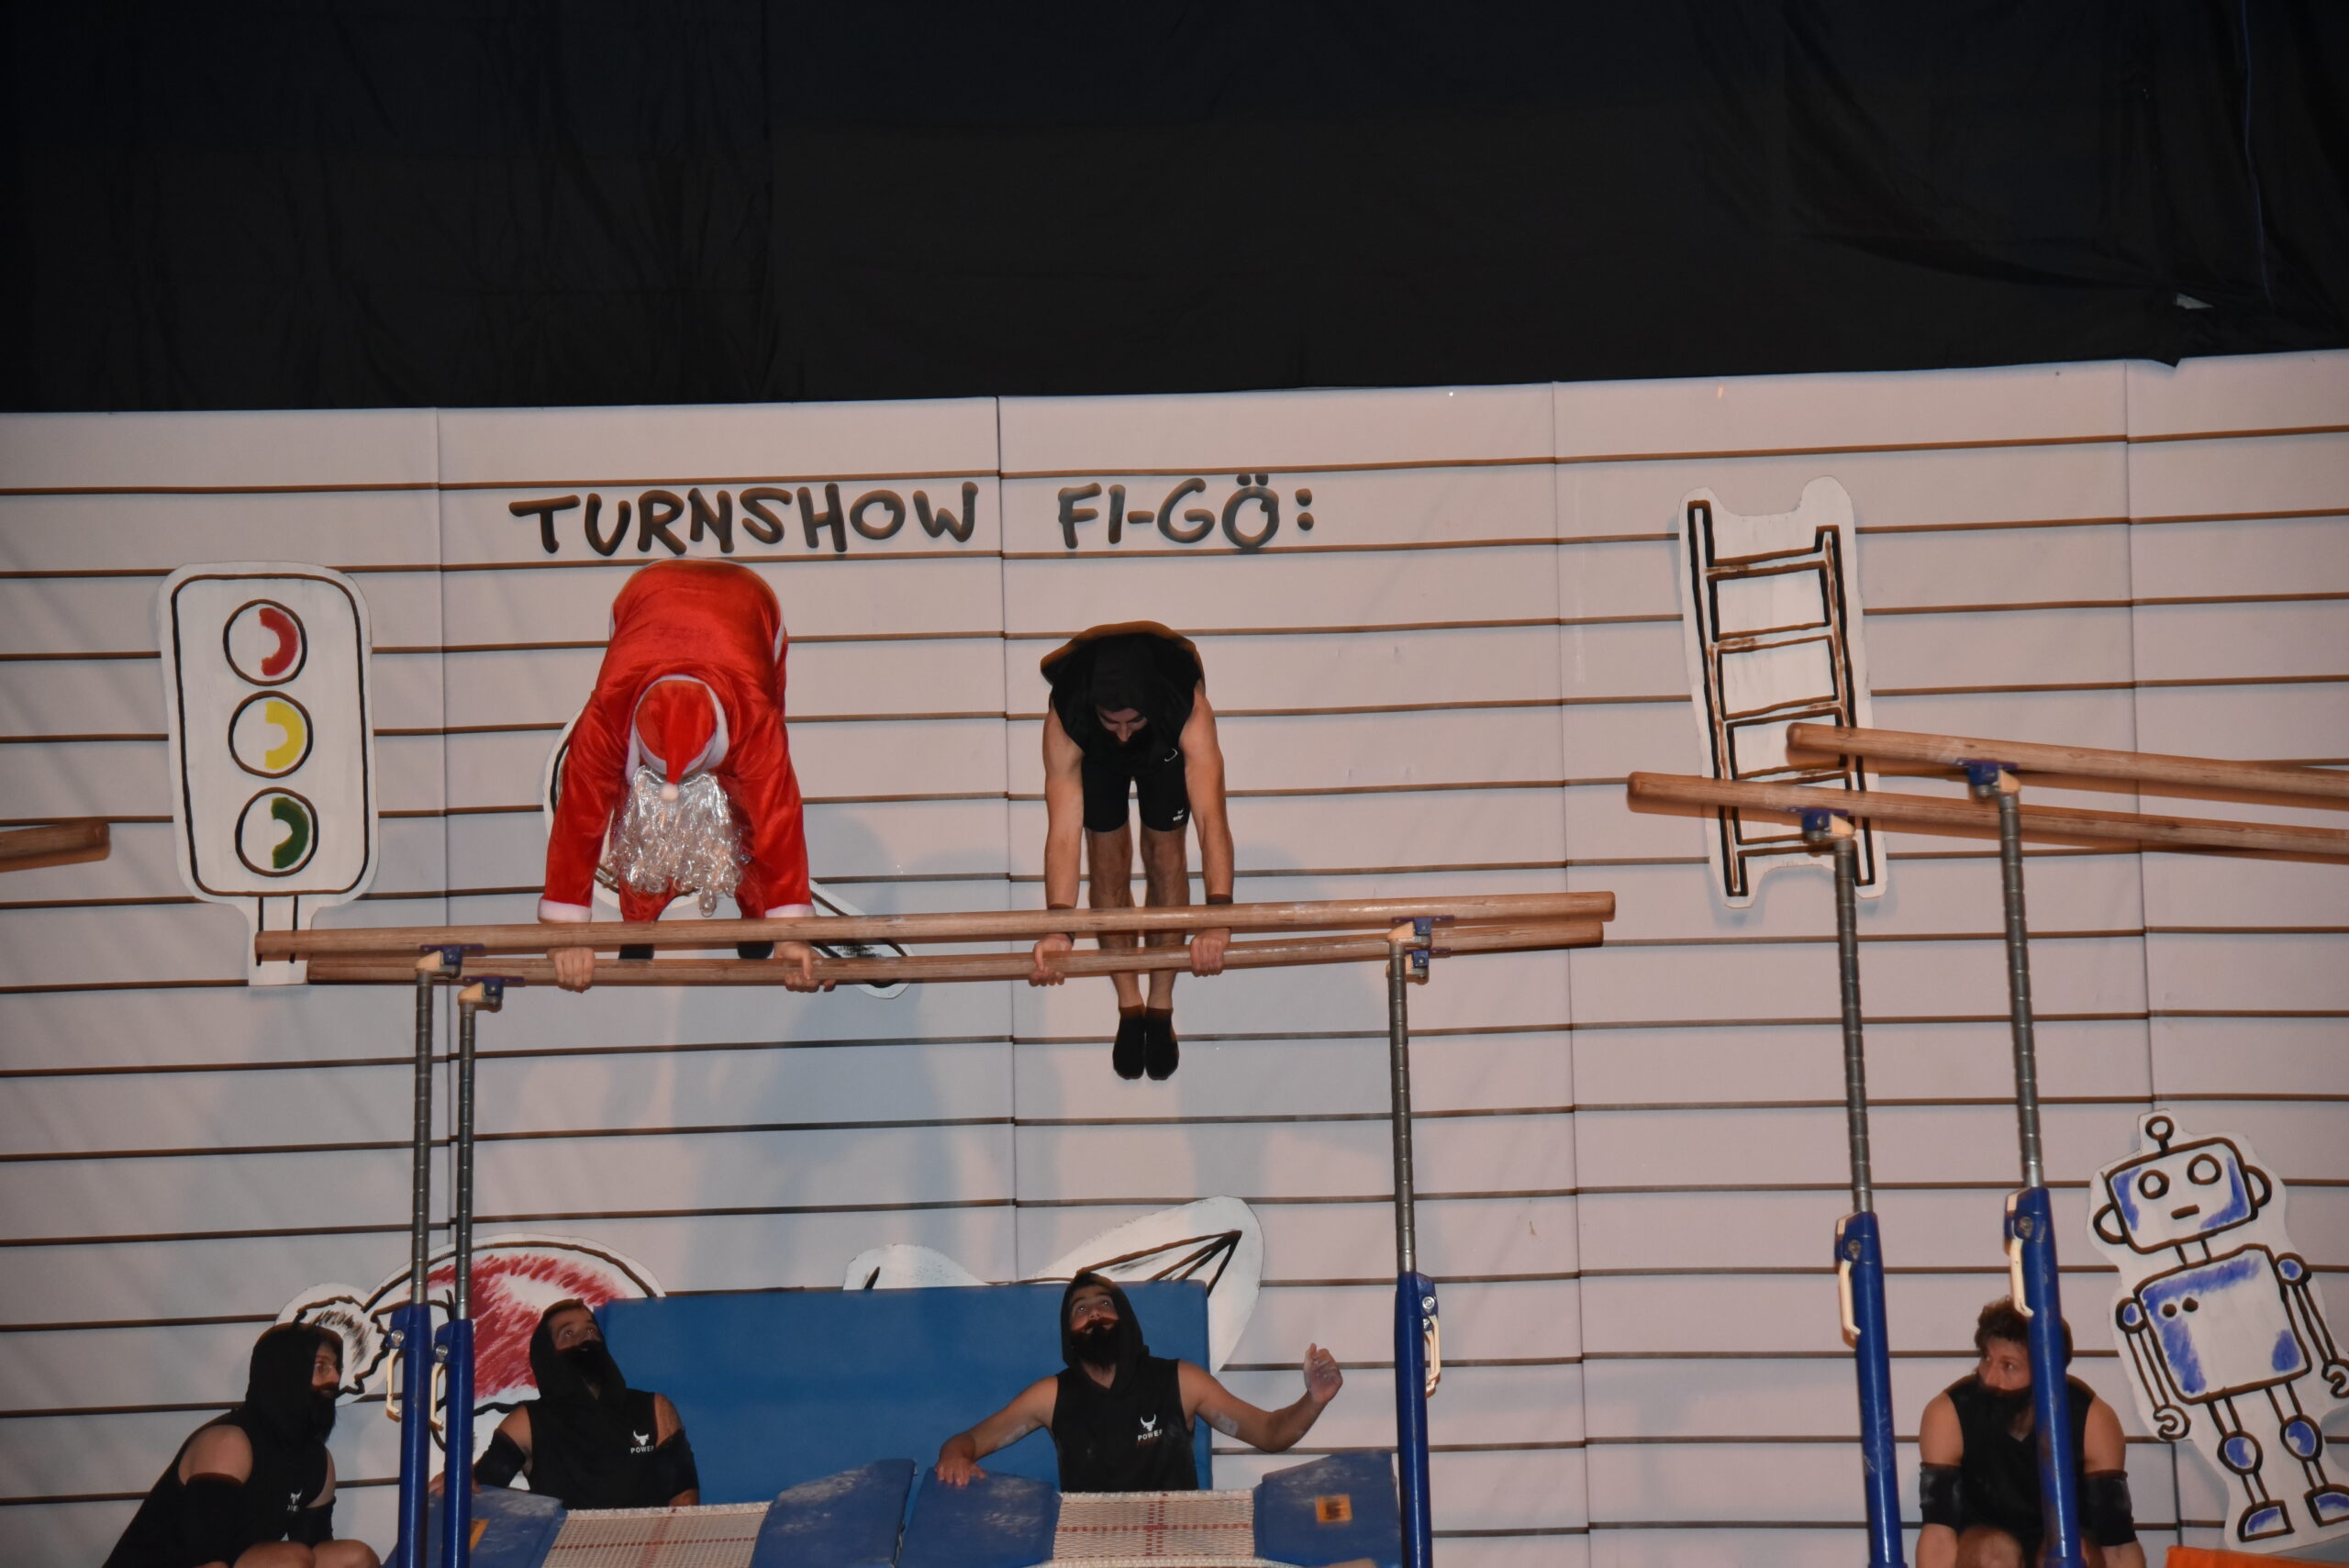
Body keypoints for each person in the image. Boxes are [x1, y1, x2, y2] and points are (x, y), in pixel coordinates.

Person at [540, 560, 824, 993]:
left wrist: (790, 932)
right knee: (639, 815)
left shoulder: (753, 720)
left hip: (750, 603)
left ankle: (756, 908)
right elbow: (579, 818)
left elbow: (777, 819)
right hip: (645, 596)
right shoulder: (606, 717)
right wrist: (566, 934)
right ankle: (639, 919)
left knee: (749, 802)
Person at [1030, 623, 1235, 1079]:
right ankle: (1129, 1005)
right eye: (1113, 722)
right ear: (1095, 709)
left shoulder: (1186, 707)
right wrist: (1060, 929)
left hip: (1163, 748)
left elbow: (1212, 821)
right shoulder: (1068, 715)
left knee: (1166, 858)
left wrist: (1219, 919)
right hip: (1095, 756)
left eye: (1132, 722)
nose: (1123, 735)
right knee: (1107, 864)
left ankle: (1160, 1004)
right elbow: (1062, 834)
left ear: (1151, 707)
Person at [933, 1273, 1340, 1493]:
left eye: (1104, 1304)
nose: (1094, 1314)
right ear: (1068, 1332)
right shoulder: (1049, 1396)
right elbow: (967, 1441)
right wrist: (955, 1458)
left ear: (1125, 1318)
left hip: (1179, 1546)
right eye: (1080, 1310)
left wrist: (1315, 1398)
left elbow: (1271, 1433)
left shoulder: (1182, 1381)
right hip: (1090, 1550)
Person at [105, 1322, 377, 1568]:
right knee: (290, 1560)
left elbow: (316, 1547)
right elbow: (205, 1558)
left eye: (336, 1368)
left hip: (231, 1560)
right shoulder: (229, 1442)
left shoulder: (318, 1460)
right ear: (286, 1371)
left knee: (354, 1557)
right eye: (320, 1366)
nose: (334, 1379)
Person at [1917, 1297, 2144, 1568]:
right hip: (1982, 1543)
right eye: (1986, 1358)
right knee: (1993, 1556)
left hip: (2066, 1540)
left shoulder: (2093, 1420)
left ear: (2047, 1373)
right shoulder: (1948, 1413)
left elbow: (2117, 1542)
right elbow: (1938, 1535)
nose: (1989, 1378)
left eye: (2008, 1366)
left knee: (2071, 1553)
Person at [472, 1299, 699, 1508]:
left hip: (645, 1538)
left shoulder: (654, 1408)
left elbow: (684, 1498)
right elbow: (478, 1491)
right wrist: (461, 1480)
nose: (585, 1339)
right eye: (569, 1333)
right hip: (563, 1540)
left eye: (591, 1330)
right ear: (548, 1353)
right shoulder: (527, 1422)